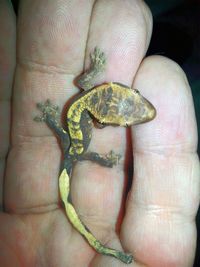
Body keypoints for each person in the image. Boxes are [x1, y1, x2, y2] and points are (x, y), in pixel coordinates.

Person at [0, 1, 199, 266]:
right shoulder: (90, 110)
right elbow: (94, 121)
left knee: (76, 153)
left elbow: (84, 86)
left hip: (75, 134)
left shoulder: (87, 93)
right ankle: (101, 244)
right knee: (77, 153)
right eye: (126, 122)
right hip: (75, 145)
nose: (143, 109)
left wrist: (93, 71)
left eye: (135, 96)